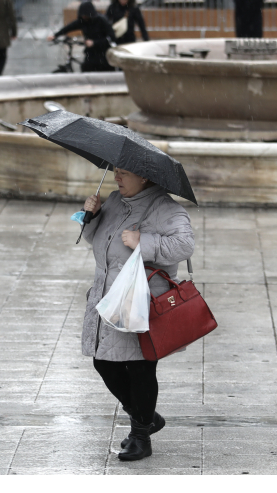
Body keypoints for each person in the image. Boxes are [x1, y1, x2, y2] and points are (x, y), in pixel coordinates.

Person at [80, 168, 194, 461]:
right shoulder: (116, 200)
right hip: (109, 297)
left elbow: (185, 245)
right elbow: (97, 242)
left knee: (141, 368)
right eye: (116, 172)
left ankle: (140, 435)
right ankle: (147, 418)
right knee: (103, 362)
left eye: (124, 173)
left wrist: (144, 241)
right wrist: (90, 215)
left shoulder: (166, 208)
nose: (117, 177)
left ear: (144, 177)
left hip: (142, 303)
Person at [48, 1, 116, 72]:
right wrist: (55, 35)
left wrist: (94, 43)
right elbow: (69, 27)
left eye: (86, 15)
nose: (84, 17)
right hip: (90, 52)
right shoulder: (82, 21)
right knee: (86, 68)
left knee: (98, 69)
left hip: (103, 52)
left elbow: (112, 37)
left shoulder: (101, 20)